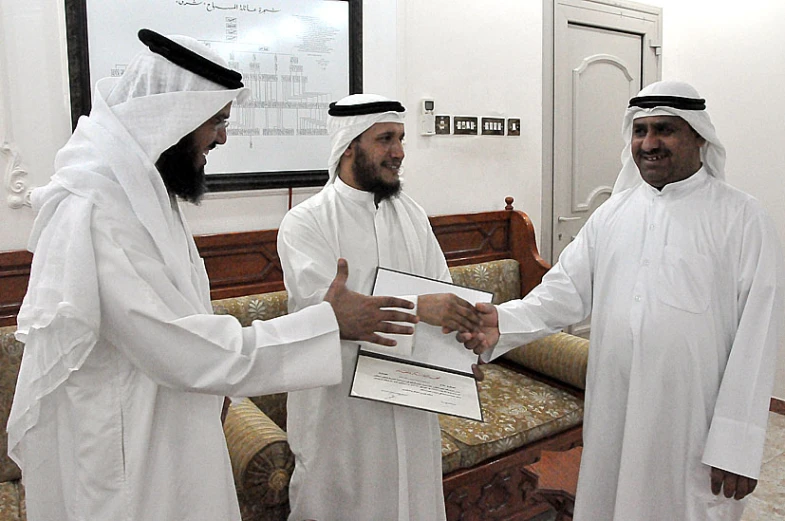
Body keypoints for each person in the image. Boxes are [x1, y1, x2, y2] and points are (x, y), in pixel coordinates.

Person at [6, 30, 420, 521]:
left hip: (174, 425)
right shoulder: (97, 212)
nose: (222, 137)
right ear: (173, 121)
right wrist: (330, 322)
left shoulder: (145, 198)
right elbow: (182, 348)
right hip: (127, 454)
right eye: (216, 121)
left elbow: (187, 326)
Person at [461, 80, 783, 521]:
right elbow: (563, 293)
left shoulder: (743, 219)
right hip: (615, 407)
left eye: (665, 130)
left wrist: (737, 445)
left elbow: (758, 338)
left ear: (698, 137)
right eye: (640, 130)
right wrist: (500, 320)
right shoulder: (613, 214)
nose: (649, 144)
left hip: (691, 421)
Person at [277, 93, 482, 521]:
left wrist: (459, 358)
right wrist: (420, 308)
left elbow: (445, 297)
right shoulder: (306, 222)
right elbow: (332, 316)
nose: (399, 152)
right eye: (385, 139)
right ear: (349, 145)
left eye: (402, 138)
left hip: (411, 401)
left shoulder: (412, 215)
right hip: (339, 413)